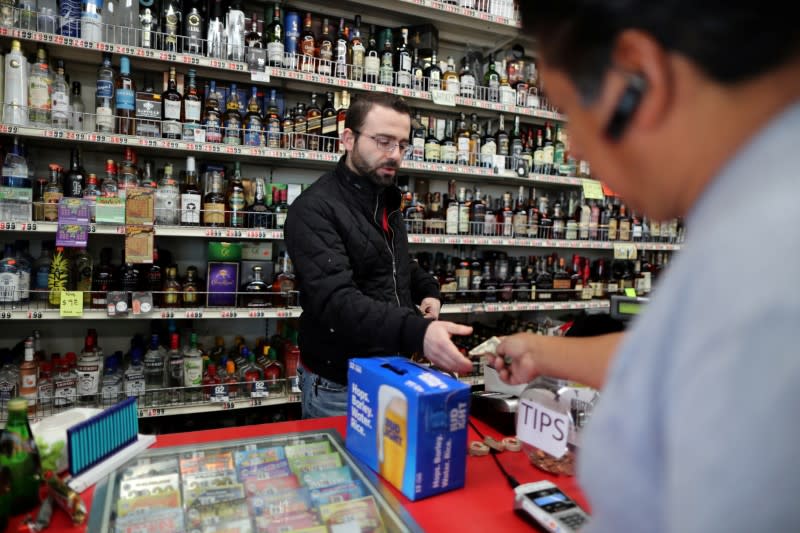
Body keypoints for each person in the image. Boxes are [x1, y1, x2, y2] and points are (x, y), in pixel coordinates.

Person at [489, 3, 800, 532]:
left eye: (565, 110)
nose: (574, 147)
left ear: (637, 77)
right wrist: (544, 352)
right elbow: (680, 352)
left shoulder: (762, 276)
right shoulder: (755, 216)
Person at [285, 92, 473, 419]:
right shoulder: (313, 209)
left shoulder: (385, 199)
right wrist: (418, 331)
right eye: (383, 141)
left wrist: (427, 289)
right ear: (348, 138)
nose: (395, 155)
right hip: (340, 386)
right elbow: (336, 302)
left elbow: (393, 261)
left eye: (402, 145)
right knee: (345, 470)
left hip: (393, 370)